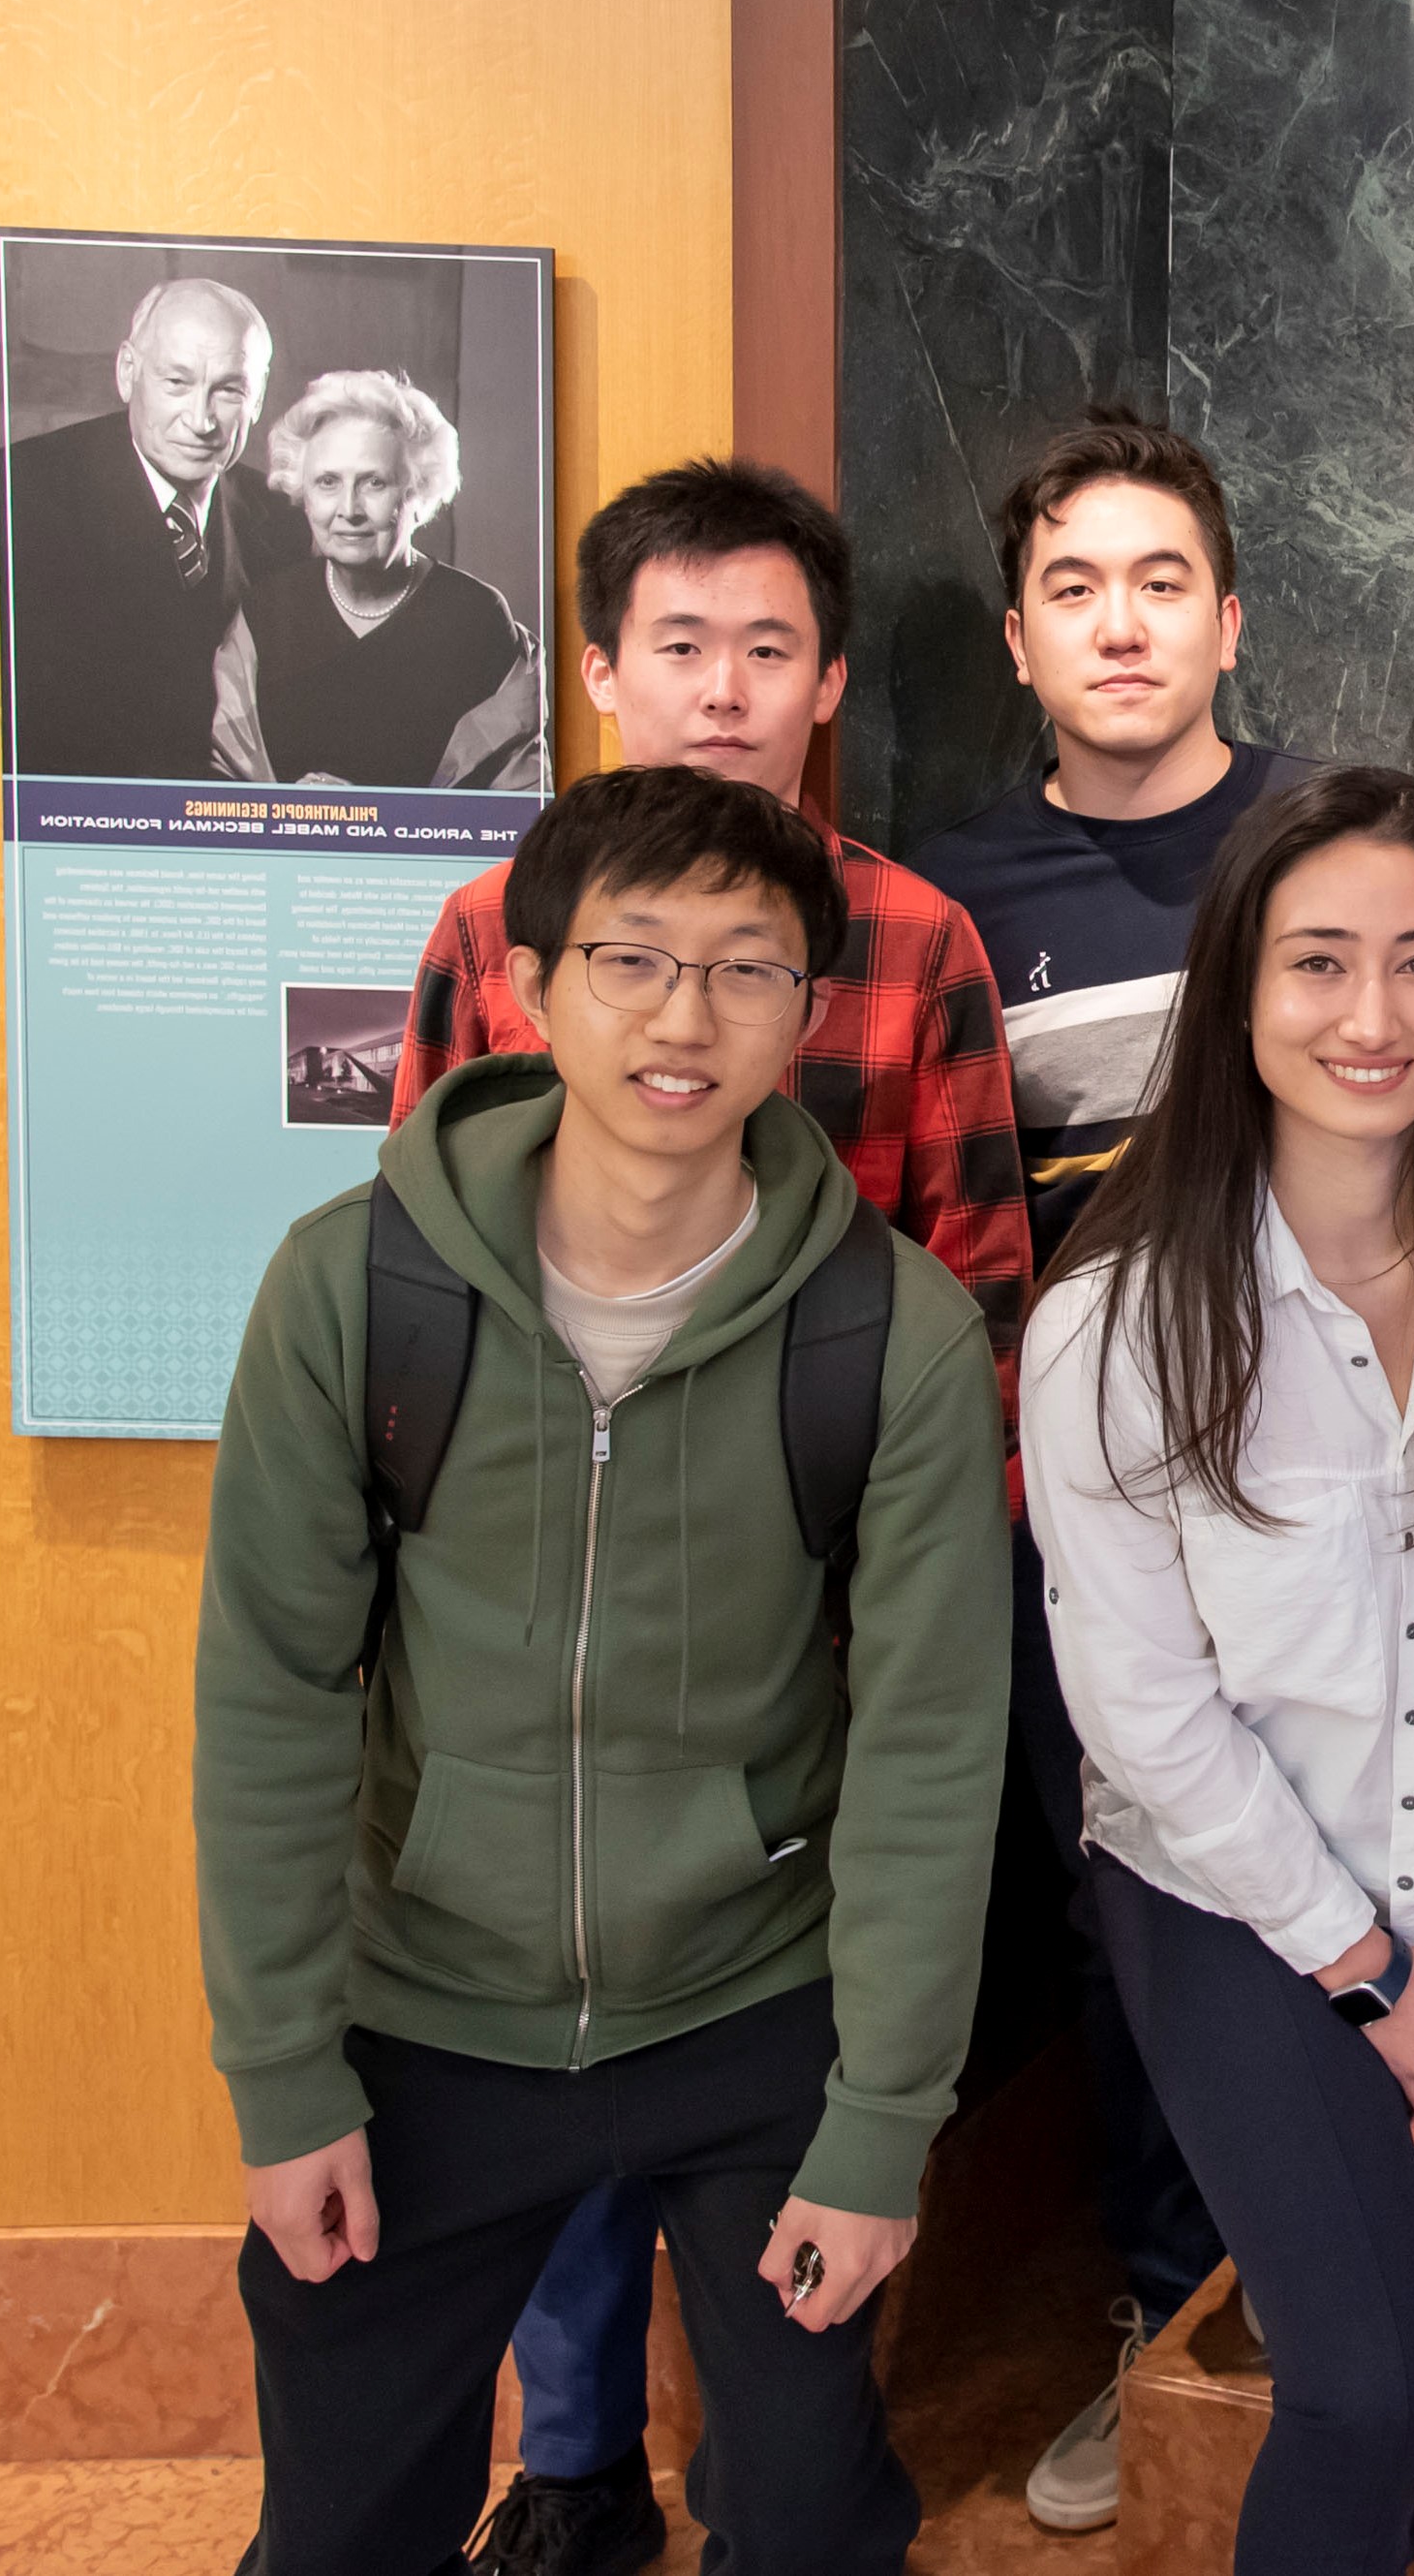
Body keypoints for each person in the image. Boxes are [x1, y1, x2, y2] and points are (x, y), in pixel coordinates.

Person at [193, 761, 1012, 2576]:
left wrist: (881, 2123)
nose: (683, 1016)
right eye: (632, 959)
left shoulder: (894, 1328)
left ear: (806, 1010)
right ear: (533, 983)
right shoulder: (352, 1289)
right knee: (338, 2526)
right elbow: (271, 1691)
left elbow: (933, 1744)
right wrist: (286, 2076)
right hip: (424, 2010)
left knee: (806, 2520)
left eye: (745, 968)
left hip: (753, 2003)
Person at [392, 458, 1033, 2576]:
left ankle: (785, 2463)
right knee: (543, 2030)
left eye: (770, 648)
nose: (725, 690)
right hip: (536, 1626)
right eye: (680, 645)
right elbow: (416, 1285)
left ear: (829, 678)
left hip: (818, 1627)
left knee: (791, 2051)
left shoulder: (913, 938)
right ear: (597, 670)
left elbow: (981, 1296)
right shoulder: (490, 936)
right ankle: (569, 2460)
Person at [1024, 763, 1414, 2576]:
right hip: (1232, 1901)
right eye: (1318, 964)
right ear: (1235, 991)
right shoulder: (1115, 1313)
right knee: (1360, 2384)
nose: (1373, 1016)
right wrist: (1377, 1976)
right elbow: (1140, 1704)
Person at [907, 408, 1309, 2531]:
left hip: (1330, 1511)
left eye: (1163, 578)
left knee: (1344, 1884)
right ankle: (1157, 2325)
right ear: (1017, 634)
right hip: (1081, 1534)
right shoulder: (950, 901)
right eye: (1077, 584)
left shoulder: (1332, 845)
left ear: (1229, 616)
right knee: (1133, 1920)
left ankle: (1336, 2308)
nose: (1123, 620)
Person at [2, 274, 313, 778]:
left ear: (257, 400)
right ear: (128, 372)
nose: (200, 420)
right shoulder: (19, 498)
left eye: (228, 390)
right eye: (177, 382)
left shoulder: (287, 523)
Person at [210, 369, 546, 791]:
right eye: (328, 482)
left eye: (374, 482)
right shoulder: (267, 612)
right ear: (303, 493)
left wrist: (378, 818)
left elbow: (518, 804)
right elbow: (224, 788)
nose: (349, 509)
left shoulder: (477, 619)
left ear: (418, 493)